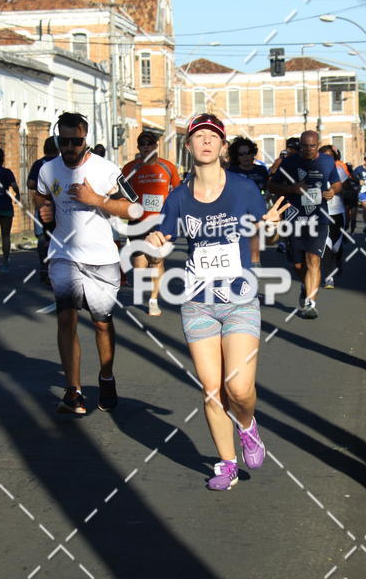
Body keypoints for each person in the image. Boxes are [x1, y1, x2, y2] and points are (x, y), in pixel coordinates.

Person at [146, 113, 289, 492]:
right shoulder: (178, 197)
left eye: (213, 136)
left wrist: (272, 228)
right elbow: (160, 242)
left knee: (238, 389)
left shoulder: (243, 189)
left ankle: (247, 425)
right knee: (212, 390)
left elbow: (268, 236)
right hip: (198, 302)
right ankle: (227, 464)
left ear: (223, 147)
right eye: (199, 136)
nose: (206, 141)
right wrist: (155, 243)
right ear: (189, 145)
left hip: (239, 299)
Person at [35, 112, 141, 416]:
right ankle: (74, 392)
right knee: (66, 319)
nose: (70, 147)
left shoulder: (106, 170)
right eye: (64, 141)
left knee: (101, 323)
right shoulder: (48, 169)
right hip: (64, 255)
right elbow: (41, 197)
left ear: (86, 140)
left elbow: (133, 209)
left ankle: (106, 377)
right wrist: (44, 211)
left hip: (101, 259)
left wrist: (97, 200)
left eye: (76, 141)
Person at [268, 130, 341, 319]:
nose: (308, 149)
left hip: (318, 218)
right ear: (300, 145)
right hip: (294, 218)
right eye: (305, 146)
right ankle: (304, 285)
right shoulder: (289, 162)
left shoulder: (327, 161)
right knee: (298, 263)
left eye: (312, 146)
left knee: (313, 260)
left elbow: (337, 183)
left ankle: (310, 304)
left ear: (318, 145)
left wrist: (332, 191)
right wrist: (292, 189)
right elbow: (272, 185)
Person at [122, 131, 181, 316]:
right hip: (138, 221)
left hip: (161, 222)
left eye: (149, 143)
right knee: (140, 266)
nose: (146, 146)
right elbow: (120, 191)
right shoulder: (130, 168)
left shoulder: (168, 167)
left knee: (156, 260)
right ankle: (144, 289)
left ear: (156, 145)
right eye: (142, 144)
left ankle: (153, 300)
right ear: (138, 147)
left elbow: (178, 192)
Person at [227, 137, 269, 267]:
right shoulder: (232, 171)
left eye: (248, 153)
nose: (245, 156)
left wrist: (266, 195)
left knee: (255, 240)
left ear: (253, 154)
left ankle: (255, 265)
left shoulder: (261, 170)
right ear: (237, 157)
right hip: (238, 211)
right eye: (241, 154)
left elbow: (267, 188)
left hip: (258, 209)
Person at [27, 137, 59, 283]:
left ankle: (45, 267)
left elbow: (30, 183)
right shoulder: (61, 163)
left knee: (43, 238)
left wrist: (42, 185)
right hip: (60, 205)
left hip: (43, 204)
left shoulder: (39, 164)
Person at [318, 145, 348, 288]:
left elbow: (345, 188)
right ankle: (329, 278)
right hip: (321, 213)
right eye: (324, 156)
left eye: (330, 156)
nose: (327, 158)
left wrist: (335, 190)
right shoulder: (313, 171)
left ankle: (338, 259)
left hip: (337, 212)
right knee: (326, 245)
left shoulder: (339, 170)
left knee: (335, 247)